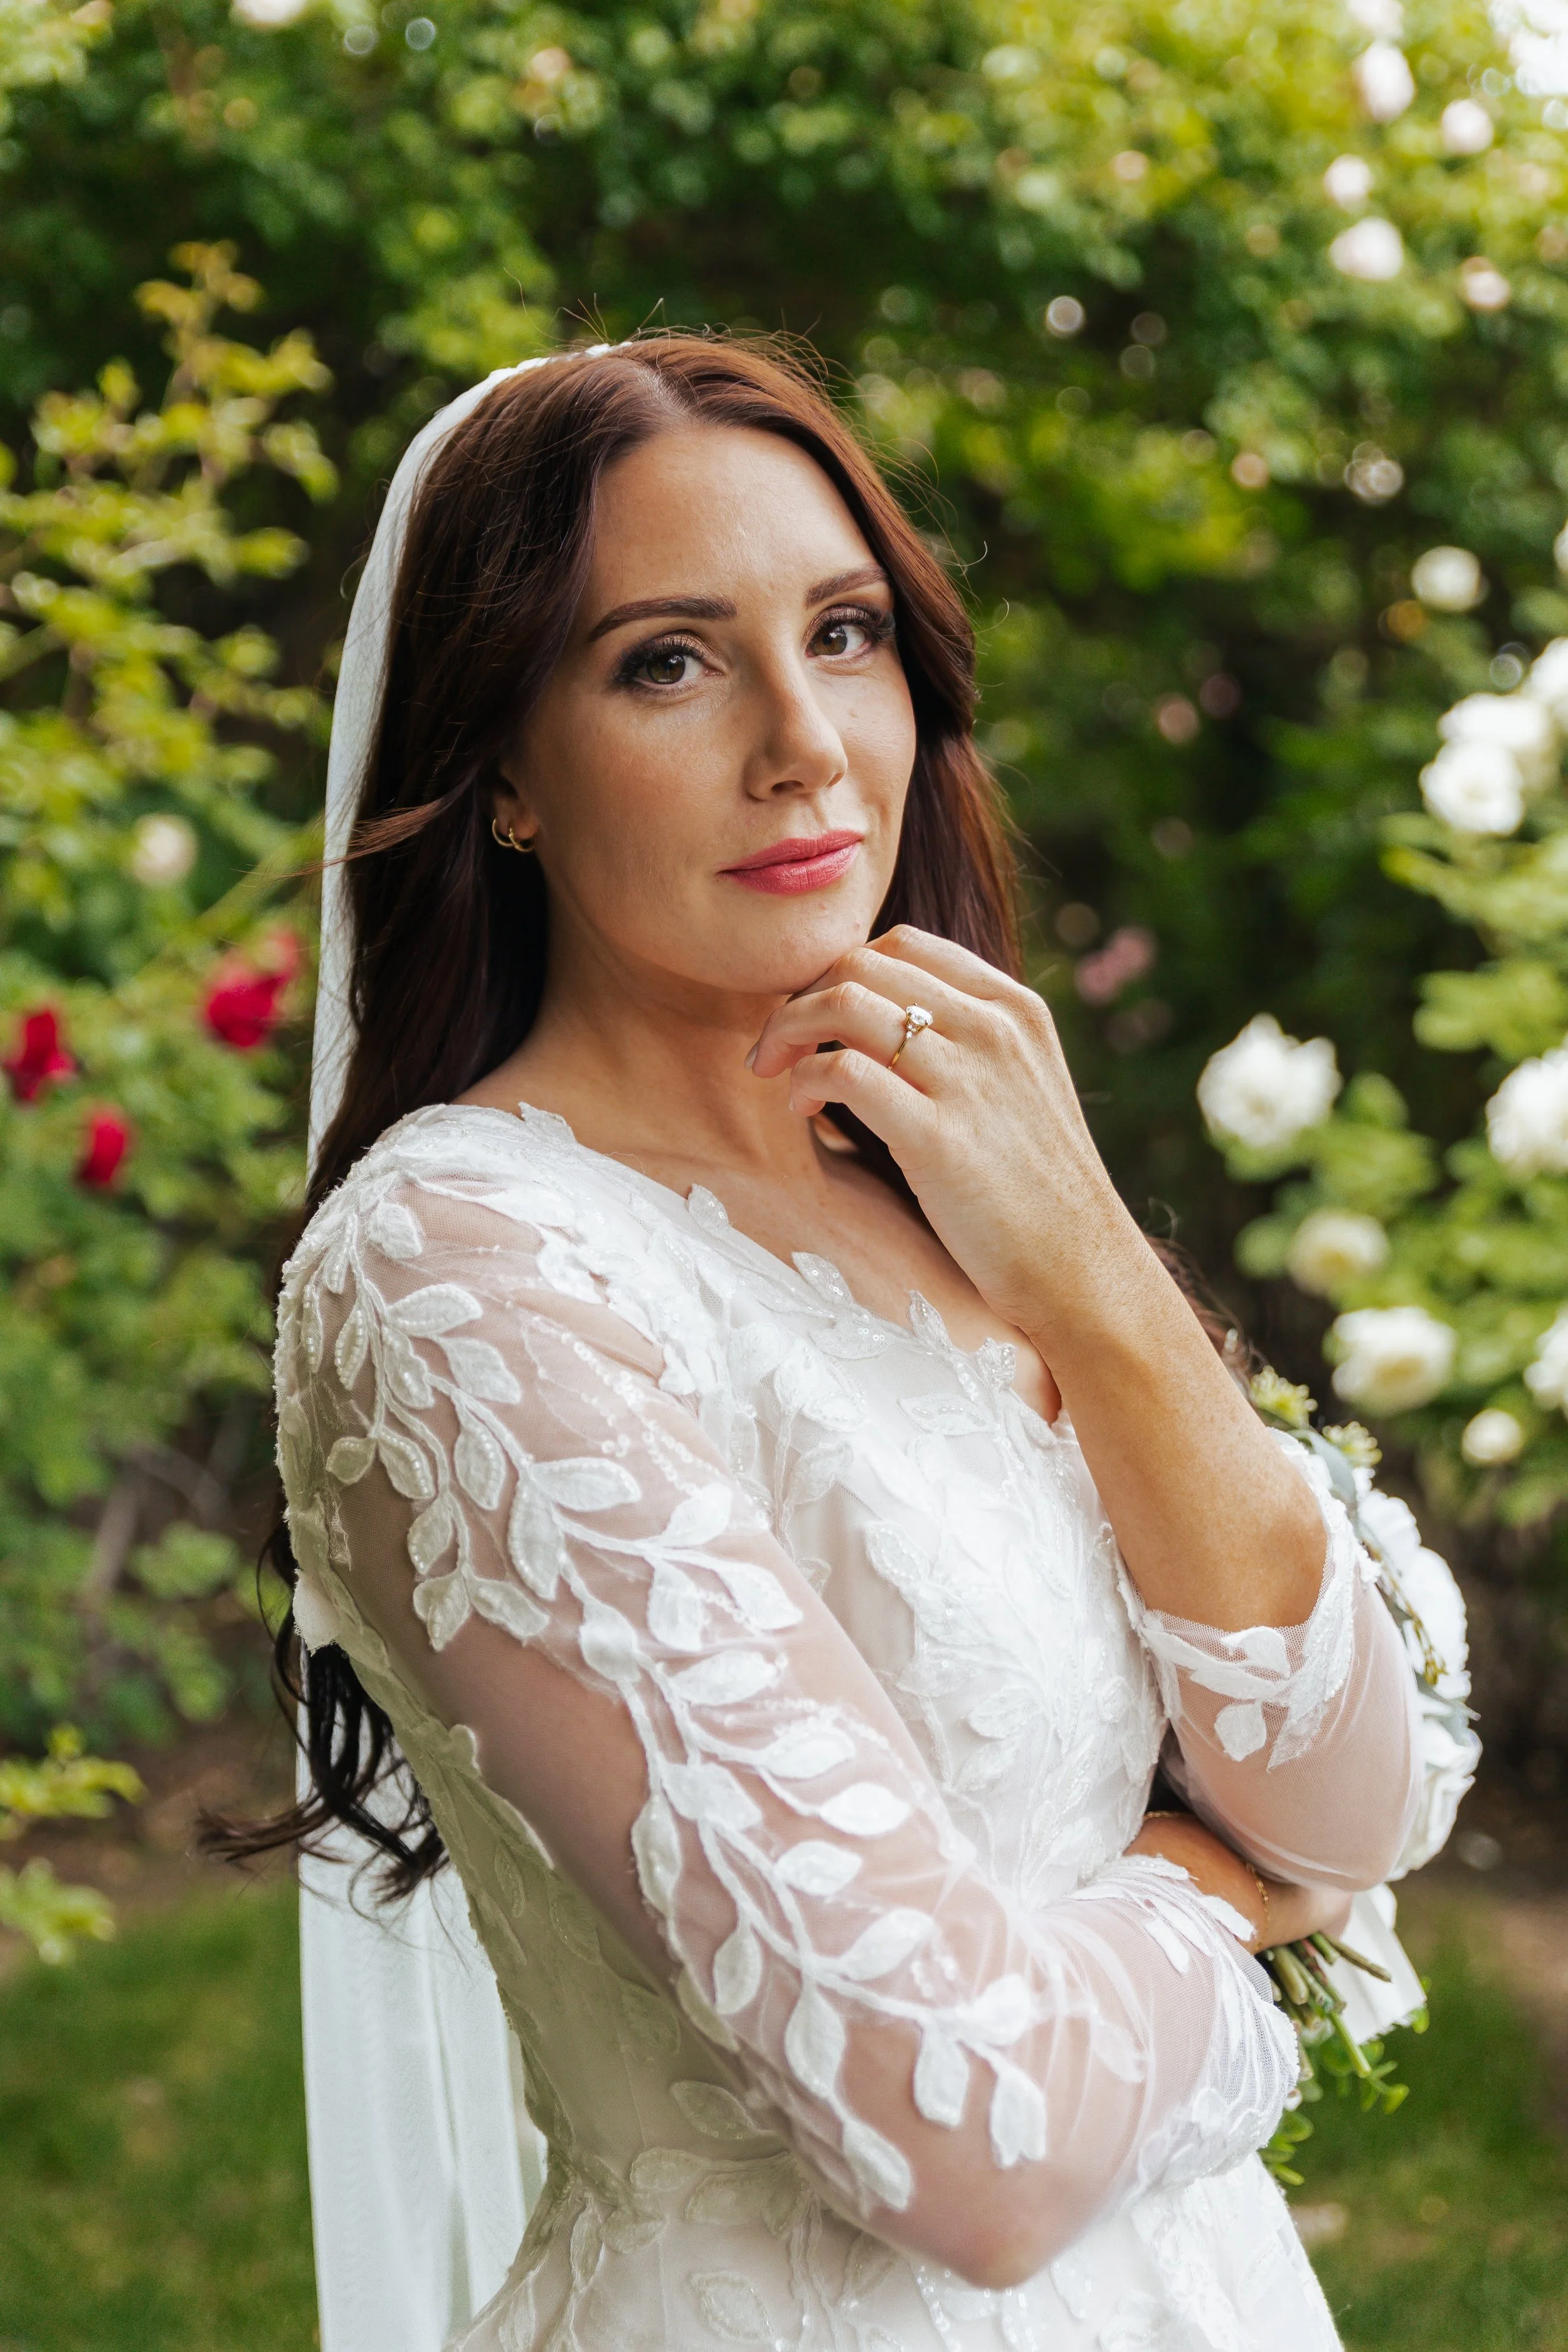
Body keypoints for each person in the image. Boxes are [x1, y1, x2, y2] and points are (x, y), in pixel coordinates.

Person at [248, 337, 1425, 2349]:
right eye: (666, 662)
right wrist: (1212, 1899)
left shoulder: (951, 1177)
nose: (804, 741)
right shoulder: (463, 1272)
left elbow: (1350, 1801)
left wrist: (1094, 1279)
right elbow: (959, 2138)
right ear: (505, 769)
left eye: (846, 631)